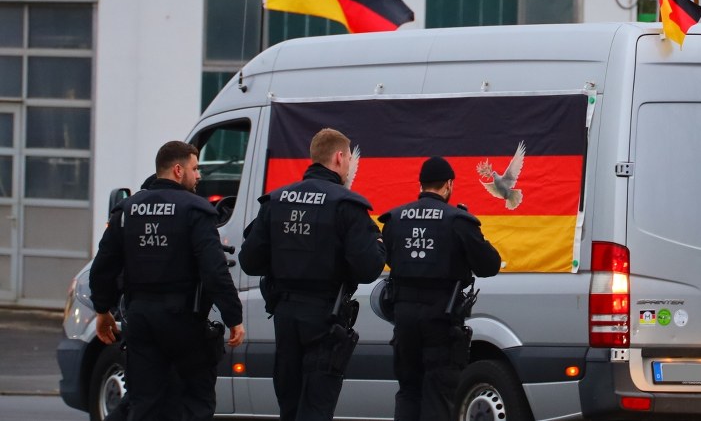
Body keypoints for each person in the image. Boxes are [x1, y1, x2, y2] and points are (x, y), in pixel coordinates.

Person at [88, 141, 245, 421]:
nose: (199, 176)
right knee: (195, 402)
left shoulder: (127, 210)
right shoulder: (196, 210)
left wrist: (102, 311)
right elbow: (214, 271)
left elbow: (102, 267)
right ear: (177, 170)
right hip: (183, 323)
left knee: (145, 403)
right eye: (195, 169)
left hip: (140, 321)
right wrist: (234, 317)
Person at [239, 128, 385, 421]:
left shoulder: (276, 201)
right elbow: (369, 268)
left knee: (290, 406)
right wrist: (380, 246)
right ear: (339, 157)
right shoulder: (346, 205)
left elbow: (249, 260)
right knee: (317, 406)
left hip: (285, 315)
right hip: (325, 318)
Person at [378, 156, 502, 421]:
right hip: (441, 321)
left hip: (404, 320)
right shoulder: (458, 221)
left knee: (409, 391)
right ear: (448, 185)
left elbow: (385, 257)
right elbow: (490, 265)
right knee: (439, 393)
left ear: (421, 184)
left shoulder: (395, 219)